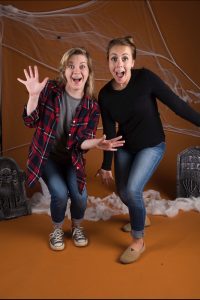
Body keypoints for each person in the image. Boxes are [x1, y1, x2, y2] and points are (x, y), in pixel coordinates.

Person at [97, 36, 200, 264]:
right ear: (108, 63)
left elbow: (178, 105)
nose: (119, 64)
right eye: (114, 59)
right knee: (123, 192)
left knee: (133, 189)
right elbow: (110, 134)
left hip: (152, 145)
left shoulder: (146, 79)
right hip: (125, 146)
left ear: (132, 62)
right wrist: (105, 166)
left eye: (125, 58)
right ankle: (141, 217)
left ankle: (138, 240)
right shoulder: (104, 95)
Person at [18, 47, 124, 251]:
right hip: (46, 157)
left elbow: (80, 144)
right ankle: (57, 229)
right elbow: (29, 121)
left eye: (82, 66)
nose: (77, 70)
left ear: (88, 73)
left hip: (71, 160)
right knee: (59, 193)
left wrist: (97, 143)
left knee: (80, 196)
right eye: (71, 66)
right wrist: (33, 96)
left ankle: (77, 227)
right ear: (64, 71)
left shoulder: (92, 107)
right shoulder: (49, 90)